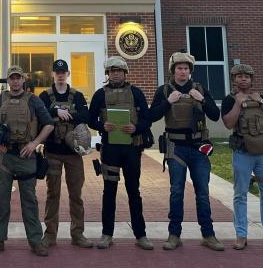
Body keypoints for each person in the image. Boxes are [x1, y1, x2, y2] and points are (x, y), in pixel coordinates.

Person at [148, 51, 224, 251]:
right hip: (176, 148)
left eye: (186, 68)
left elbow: (216, 116)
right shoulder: (164, 90)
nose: (183, 72)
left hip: (198, 147)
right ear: (173, 71)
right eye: (179, 68)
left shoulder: (199, 89)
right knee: (176, 192)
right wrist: (168, 102)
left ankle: (208, 235)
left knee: (202, 193)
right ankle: (174, 235)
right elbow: (151, 116)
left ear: (190, 71)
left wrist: (203, 100)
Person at [0, 65, 54, 257]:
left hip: (25, 156)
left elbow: (49, 125)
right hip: (4, 157)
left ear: (23, 80)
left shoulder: (34, 100)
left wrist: (34, 144)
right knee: (2, 201)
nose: (15, 81)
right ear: (8, 80)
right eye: (11, 78)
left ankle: (36, 242)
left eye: (18, 78)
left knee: (29, 201)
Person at [87, 55, 153, 251]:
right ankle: (107, 234)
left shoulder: (136, 93)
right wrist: (101, 125)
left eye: (119, 71)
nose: (115, 74)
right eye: (112, 71)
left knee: (134, 191)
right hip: (110, 150)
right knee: (109, 192)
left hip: (132, 149)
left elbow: (147, 119)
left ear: (125, 73)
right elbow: (90, 119)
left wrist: (136, 128)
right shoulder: (100, 94)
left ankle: (140, 235)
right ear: (108, 74)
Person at [221, 63, 263, 251]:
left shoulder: (262, 98)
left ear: (252, 79)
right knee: (240, 194)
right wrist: (239, 104)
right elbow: (228, 123)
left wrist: (262, 103)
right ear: (234, 79)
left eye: (247, 76)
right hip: (242, 153)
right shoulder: (229, 100)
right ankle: (241, 235)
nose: (243, 79)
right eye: (239, 76)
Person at [38, 59, 93, 249]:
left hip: (73, 153)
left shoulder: (76, 95)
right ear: (52, 74)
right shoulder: (45, 95)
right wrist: (55, 110)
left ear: (68, 74)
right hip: (52, 151)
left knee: (76, 194)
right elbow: (39, 114)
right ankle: (50, 234)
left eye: (63, 72)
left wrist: (66, 113)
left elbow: (86, 117)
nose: (60, 75)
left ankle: (78, 234)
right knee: (53, 194)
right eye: (57, 72)